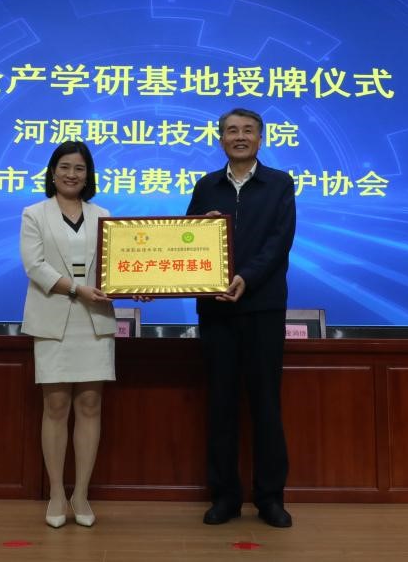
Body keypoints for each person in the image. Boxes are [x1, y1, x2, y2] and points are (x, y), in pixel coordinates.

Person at [186, 108, 296, 529]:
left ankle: (270, 498)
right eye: (231, 130)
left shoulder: (280, 184)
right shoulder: (206, 186)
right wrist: (199, 226)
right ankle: (225, 497)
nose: (240, 136)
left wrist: (246, 278)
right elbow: (184, 239)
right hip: (216, 310)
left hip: (263, 307)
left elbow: (279, 242)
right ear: (220, 139)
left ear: (260, 138)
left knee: (266, 405)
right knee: (221, 405)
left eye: (248, 130)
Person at [20, 140, 114, 529]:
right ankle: (57, 493)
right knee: (56, 407)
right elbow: (34, 265)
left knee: (90, 405)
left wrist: (133, 285)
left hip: (94, 321)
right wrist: (76, 289)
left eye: (79, 168)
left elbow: (115, 267)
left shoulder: (103, 215)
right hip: (53, 318)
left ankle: (82, 493)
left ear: (88, 175)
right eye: (64, 167)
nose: (71, 174)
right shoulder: (34, 213)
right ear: (52, 172)